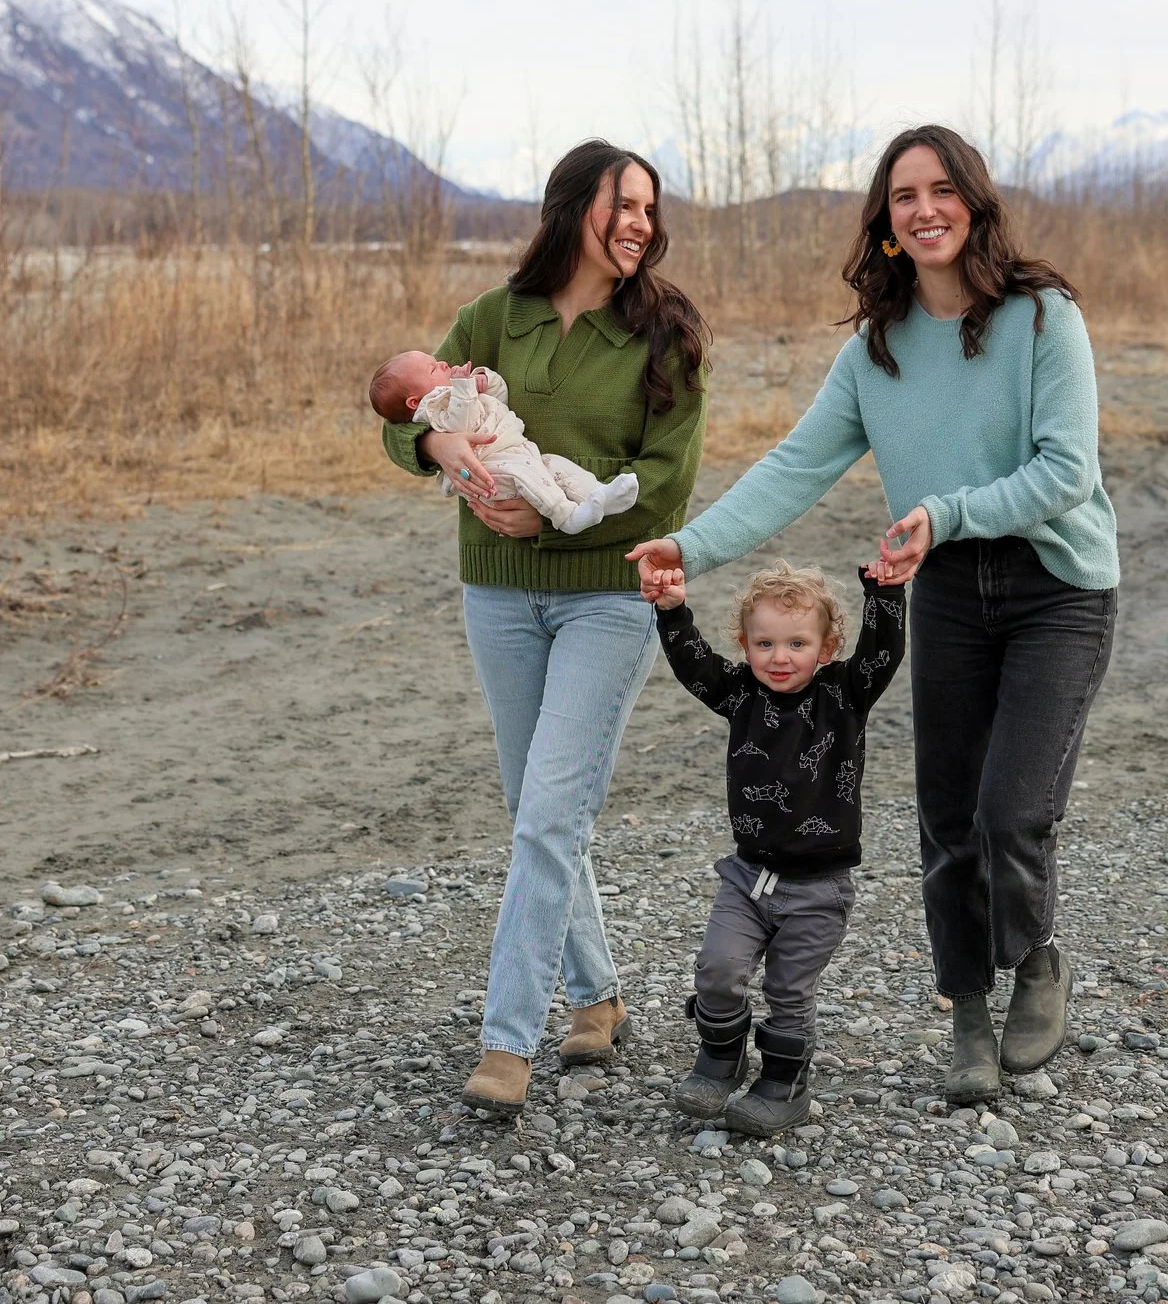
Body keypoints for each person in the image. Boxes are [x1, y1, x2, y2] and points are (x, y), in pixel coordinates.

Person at [628, 123, 1118, 1105]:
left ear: (973, 204)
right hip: (944, 591)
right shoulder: (876, 349)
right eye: (903, 195)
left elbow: (1067, 473)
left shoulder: (1041, 317)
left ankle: (1035, 959)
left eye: (942, 190)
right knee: (946, 817)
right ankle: (968, 1011)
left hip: (1054, 588)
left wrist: (946, 511)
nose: (924, 208)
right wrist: (692, 545)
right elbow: (792, 468)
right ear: (885, 221)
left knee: (1010, 810)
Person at [379, 139, 708, 1116]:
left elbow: (668, 477)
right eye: (623, 203)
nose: (640, 222)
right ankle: (599, 995)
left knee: (550, 814)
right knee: (536, 808)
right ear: (573, 208)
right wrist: (435, 439)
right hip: (497, 594)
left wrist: (560, 509)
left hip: (607, 595)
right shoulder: (494, 317)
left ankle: (506, 1040)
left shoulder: (665, 331)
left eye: (651, 206)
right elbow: (406, 415)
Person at [644, 560, 905, 1134]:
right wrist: (671, 611)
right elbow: (695, 667)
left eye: (796, 643)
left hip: (819, 889)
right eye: (764, 643)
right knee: (716, 969)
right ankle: (719, 1058)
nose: (779, 657)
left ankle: (785, 1083)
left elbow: (883, 652)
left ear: (828, 647)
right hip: (748, 876)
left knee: (789, 990)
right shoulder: (740, 694)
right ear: (745, 644)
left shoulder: (846, 694)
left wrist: (885, 593)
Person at [369, 353, 642, 535]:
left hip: (516, 453)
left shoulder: (453, 389)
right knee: (525, 472)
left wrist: (484, 381)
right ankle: (565, 516)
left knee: (556, 467)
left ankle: (600, 495)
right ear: (414, 402)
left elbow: (499, 398)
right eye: (433, 368)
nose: (442, 364)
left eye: (437, 361)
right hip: (491, 471)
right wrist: (436, 443)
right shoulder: (434, 407)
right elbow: (460, 424)